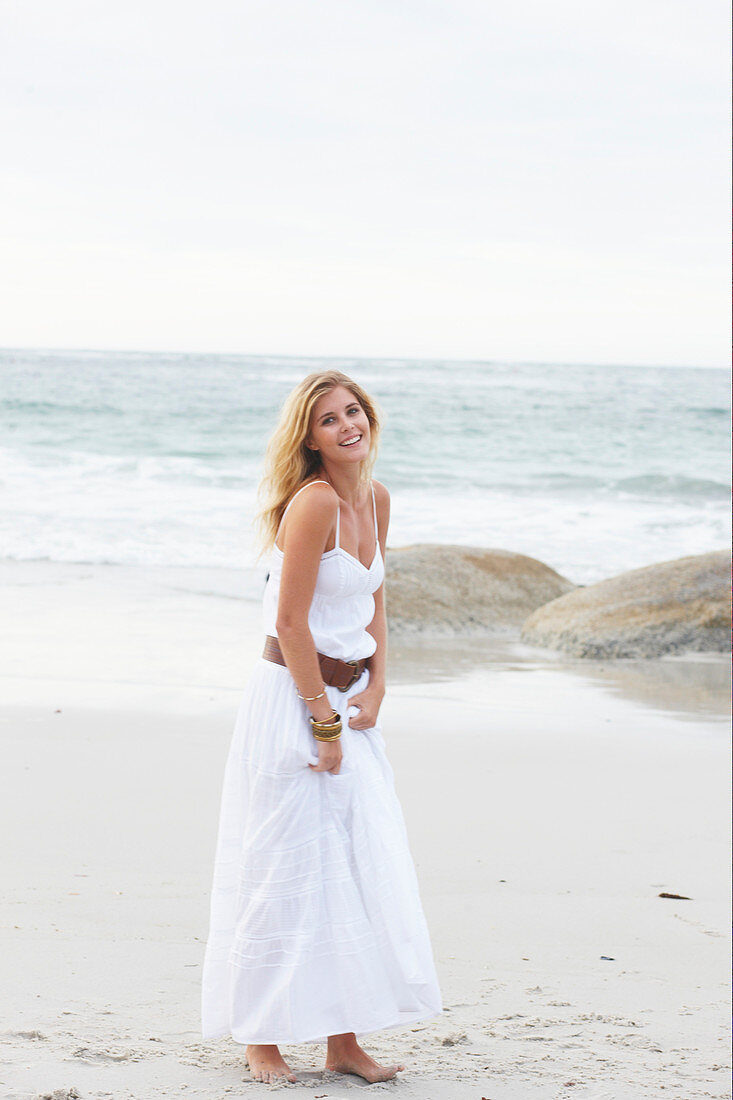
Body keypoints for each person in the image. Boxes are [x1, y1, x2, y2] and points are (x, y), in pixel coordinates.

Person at [201, 370, 442, 1083]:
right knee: (284, 868)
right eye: (329, 419)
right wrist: (323, 723)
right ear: (308, 438)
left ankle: (343, 1043)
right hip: (293, 703)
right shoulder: (311, 504)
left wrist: (378, 689)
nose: (348, 425)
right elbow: (288, 621)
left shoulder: (376, 499)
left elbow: (375, 603)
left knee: (354, 870)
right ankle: (260, 1038)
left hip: (349, 703)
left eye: (354, 411)